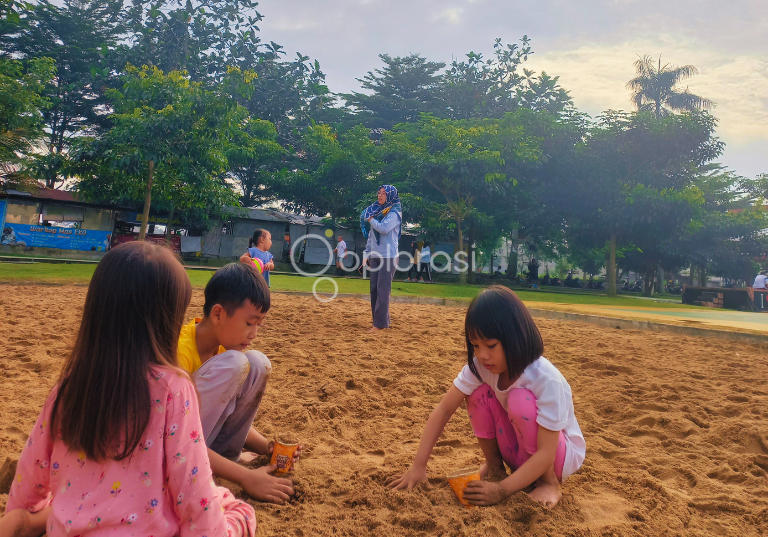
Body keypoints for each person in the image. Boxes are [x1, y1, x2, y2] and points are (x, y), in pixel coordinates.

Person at [1, 242, 257, 536]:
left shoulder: (68, 386)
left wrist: (23, 512)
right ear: (167, 319)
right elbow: (193, 495)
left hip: (70, 525)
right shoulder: (173, 389)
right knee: (235, 508)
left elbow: (30, 475)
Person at [388, 286, 585, 509]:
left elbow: (547, 453)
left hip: (555, 458)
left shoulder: (545, 379)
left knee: (520, 401)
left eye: (491, 345)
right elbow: (444, 410)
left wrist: (500, 491)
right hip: (520, 451)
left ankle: (547, 483)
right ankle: (494, 468)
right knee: (478, 393)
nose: (482, 355)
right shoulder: (481, 368)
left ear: (515, 337)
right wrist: (418, 466)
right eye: (475, 346)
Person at [176, 263, 300, 505]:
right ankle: (225, 465)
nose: (254, 334)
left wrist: (268, 447)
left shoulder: (221, 348)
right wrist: (246, 478)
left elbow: (225, 415)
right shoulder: (179, 354)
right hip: (180, 451)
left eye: (258, 325)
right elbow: (177, 438)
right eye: (249, 323)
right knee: (237, 362)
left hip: (203, 446)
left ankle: (226, 459)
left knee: (257, 362)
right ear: (219, 314)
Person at [361, 185, 402, 331]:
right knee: (374, 290)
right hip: (375, 255)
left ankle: (379, 325)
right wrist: (366, 254)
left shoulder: (395, 213)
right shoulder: (378, 212)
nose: (380, 196)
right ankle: (382, 321)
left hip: (389, 257)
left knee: (382, 290)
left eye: (384, 194)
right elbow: (371, 237)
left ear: (390, 196)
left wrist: (371, 219)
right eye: (379, 193)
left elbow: (383, 228)